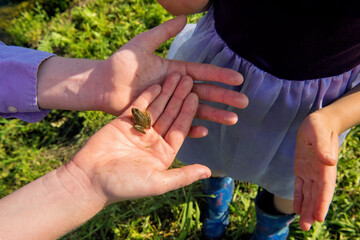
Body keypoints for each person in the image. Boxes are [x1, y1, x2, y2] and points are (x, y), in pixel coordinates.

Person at [0, 16, 249, 239]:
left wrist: (96, 82)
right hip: (141, 125)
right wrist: (83, 183)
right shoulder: (136, 118)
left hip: (144, 122)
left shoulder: (139, 117)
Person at [156, 1, 360, 239]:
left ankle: (271, 227)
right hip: (223, 70)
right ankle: (216, 195)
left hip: (313, 107)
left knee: (290, 181)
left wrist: (334, 118)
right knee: (210, 147)